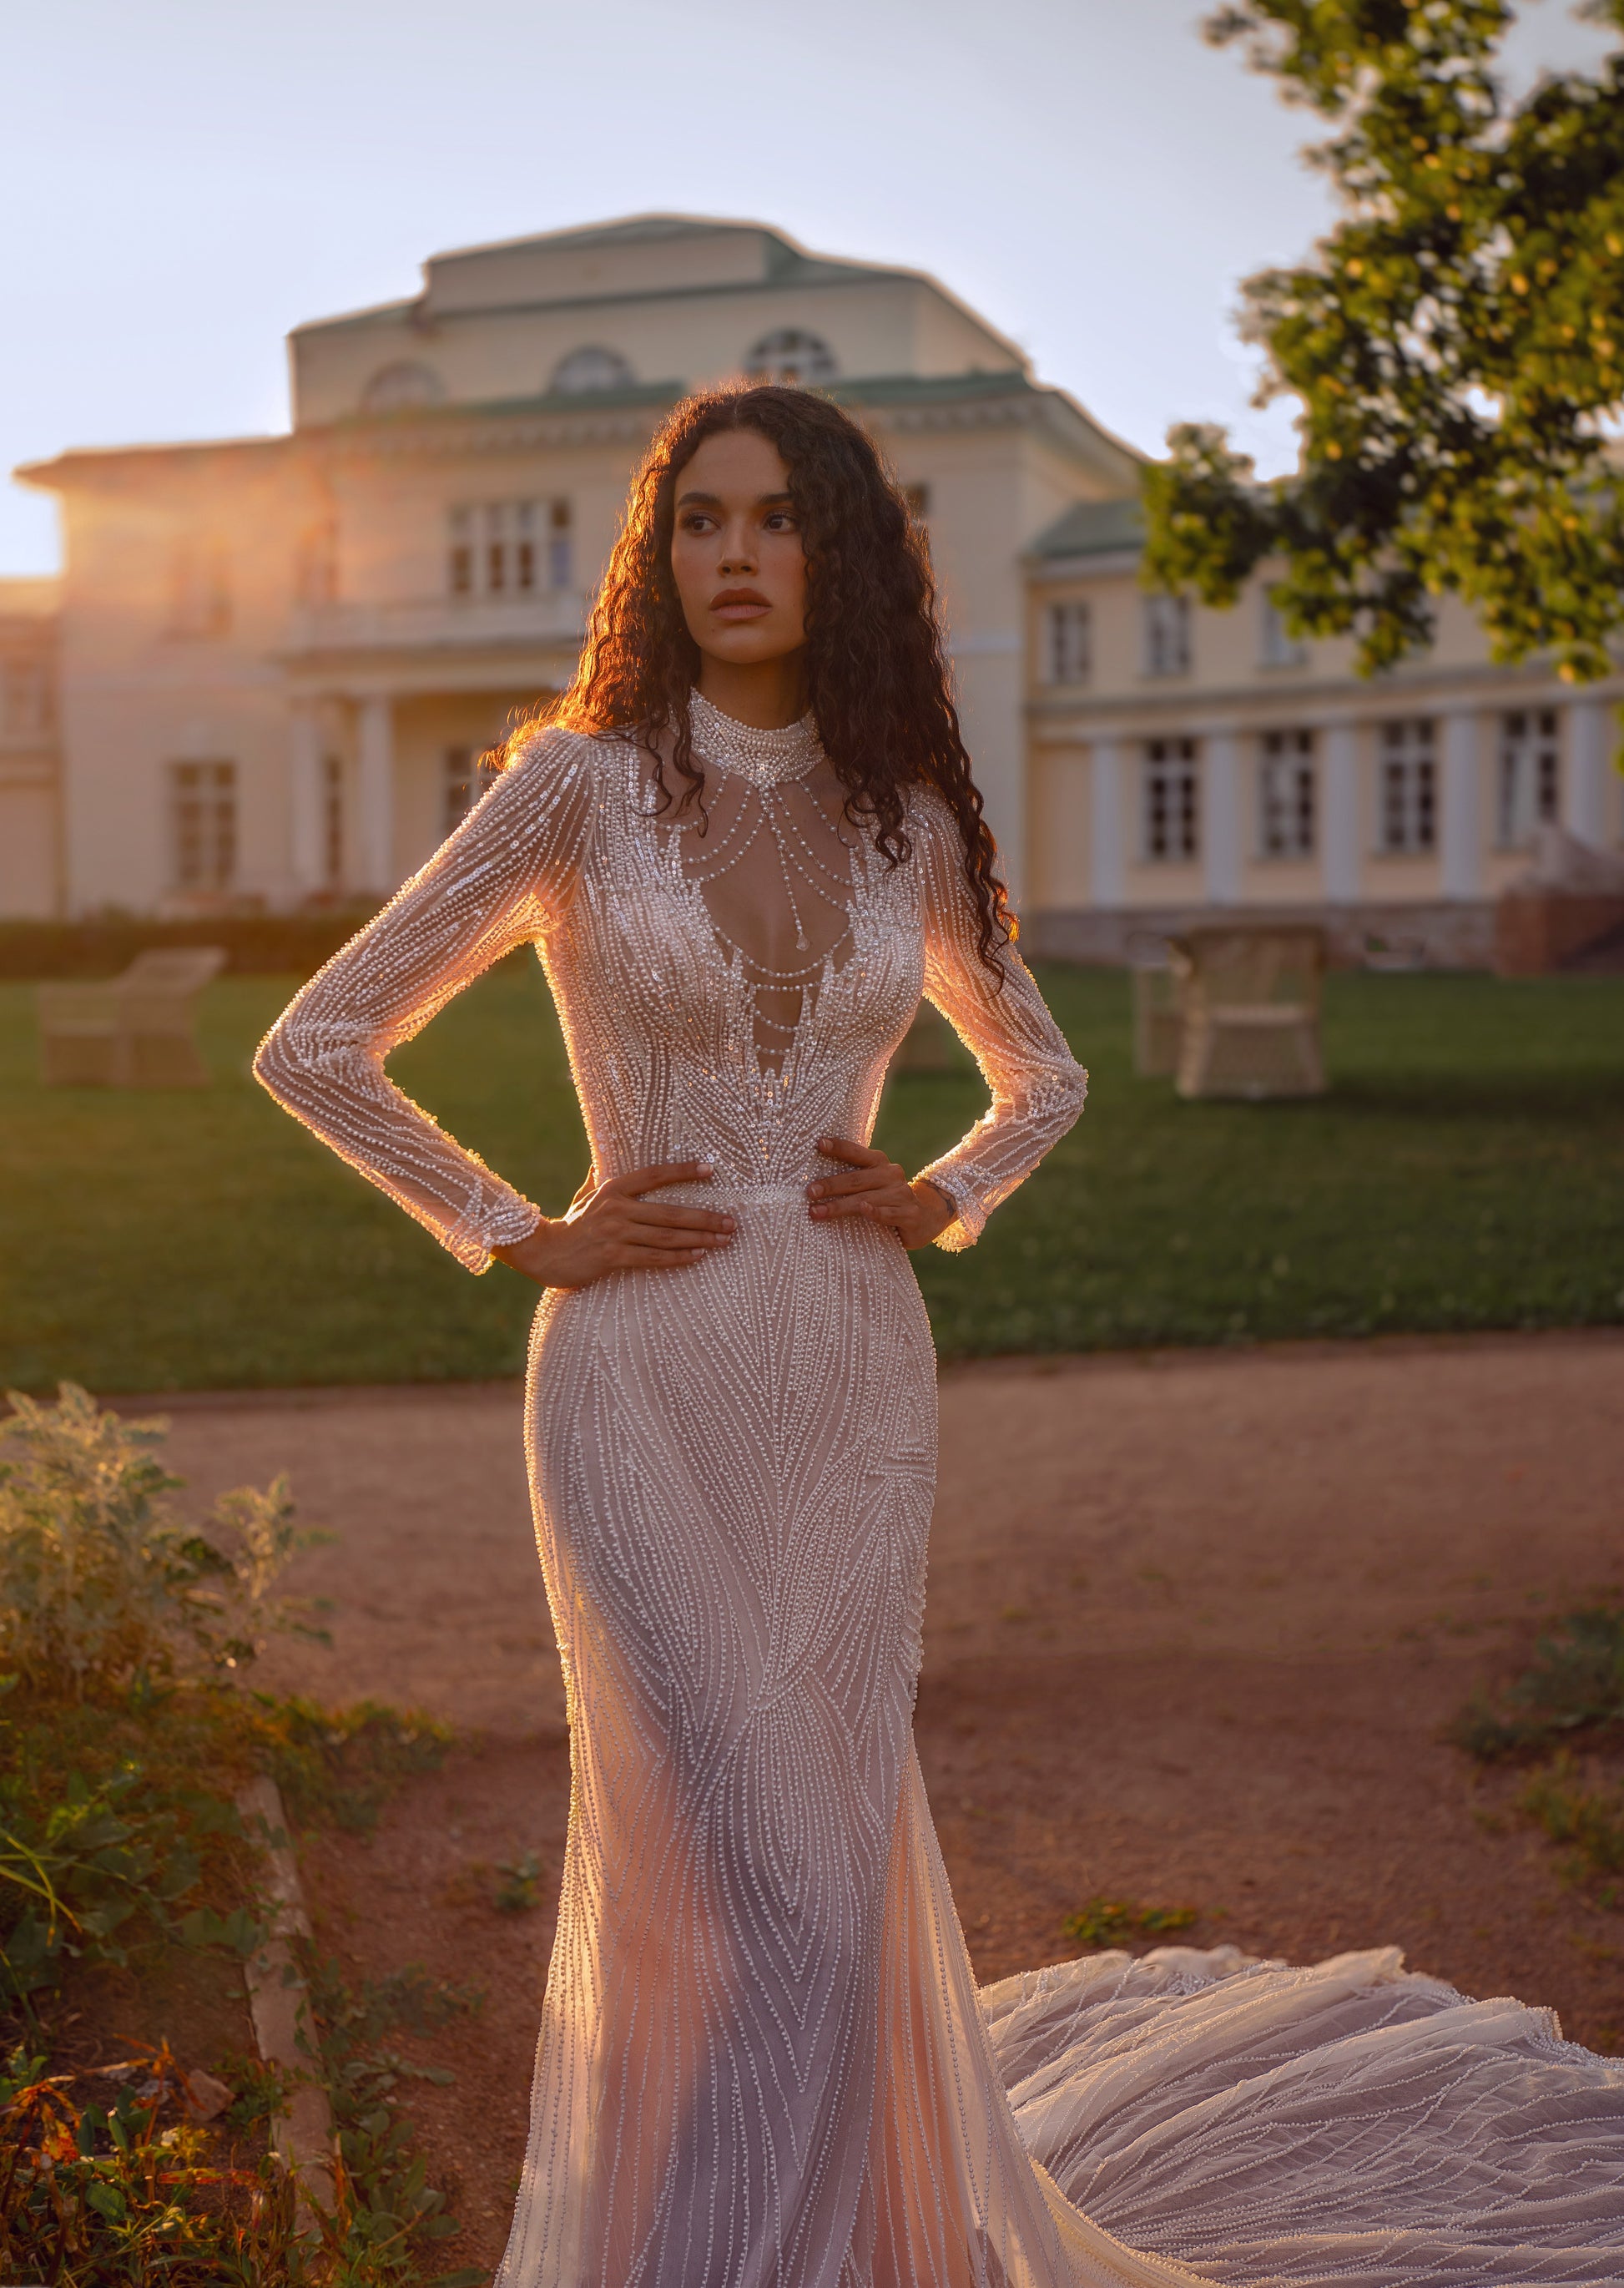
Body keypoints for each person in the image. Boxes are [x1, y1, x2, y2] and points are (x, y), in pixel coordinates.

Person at [256, 386, 1624, 2288]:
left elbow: (1041, 1074)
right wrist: (519, 1228)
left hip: (848, 1375)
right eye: (699, 521)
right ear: (662, 557)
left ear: (846, 556)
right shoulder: (575, 786)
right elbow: (316, 1039)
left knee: (820, 1850)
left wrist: (946, 1189)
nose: (732, 556)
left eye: (775, 519)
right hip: (639, 1382)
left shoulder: (906, 817)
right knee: (754, 1887)